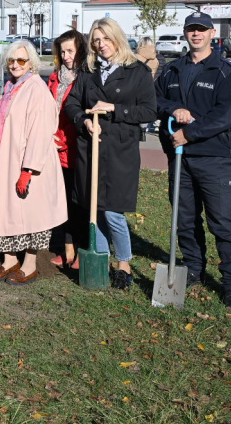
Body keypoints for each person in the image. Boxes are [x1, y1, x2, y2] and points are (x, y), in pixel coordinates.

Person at [155, 12, 231, 310]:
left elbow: (227, 115)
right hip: (179, 159)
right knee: (184, 219)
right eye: (191, 30)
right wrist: (174, 109)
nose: (196, 35)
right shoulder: (171, 70)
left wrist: (190, 134)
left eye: (202, 30)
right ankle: (193, 268)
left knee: (223, 221)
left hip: (214, 157)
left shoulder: (226, 71)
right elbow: (155, 101)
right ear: (185, 34)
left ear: (211, 34)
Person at [64, 18, 157, 291]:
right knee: (95, 210)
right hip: (90, 147)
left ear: (117, 37)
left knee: (113, 211)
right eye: (96, 40)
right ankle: (101, 260)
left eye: (105, 38)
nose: (101, 45)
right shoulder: (88, 71)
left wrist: (114, 108)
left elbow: (150, 111)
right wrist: (84, 119)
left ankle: (124, 265)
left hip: (119, 149)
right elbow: (71, 102)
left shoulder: (136, 71)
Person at [0, 40, 66, 284]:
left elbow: (40, 132)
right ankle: (9, 261)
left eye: (21, 60)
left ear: (31, 63)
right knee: (6, 213)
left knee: (29, 215)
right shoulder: (13, 87)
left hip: (26, 164)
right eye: (11, 60)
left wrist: (28, 169)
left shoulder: (36, 89)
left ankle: (30, 265)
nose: (15, 65)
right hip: (5, 161)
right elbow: (5, 113)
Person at [46, 29, 89, 270]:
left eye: (70, 50)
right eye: (62, 51)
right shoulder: (54, 78)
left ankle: (82, 249)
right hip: (54, 147)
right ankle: (67, 249)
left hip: (76, 147)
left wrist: (67, 138)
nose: (66, 56)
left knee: (79, 201)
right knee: (60, 202)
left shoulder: (86, 78)